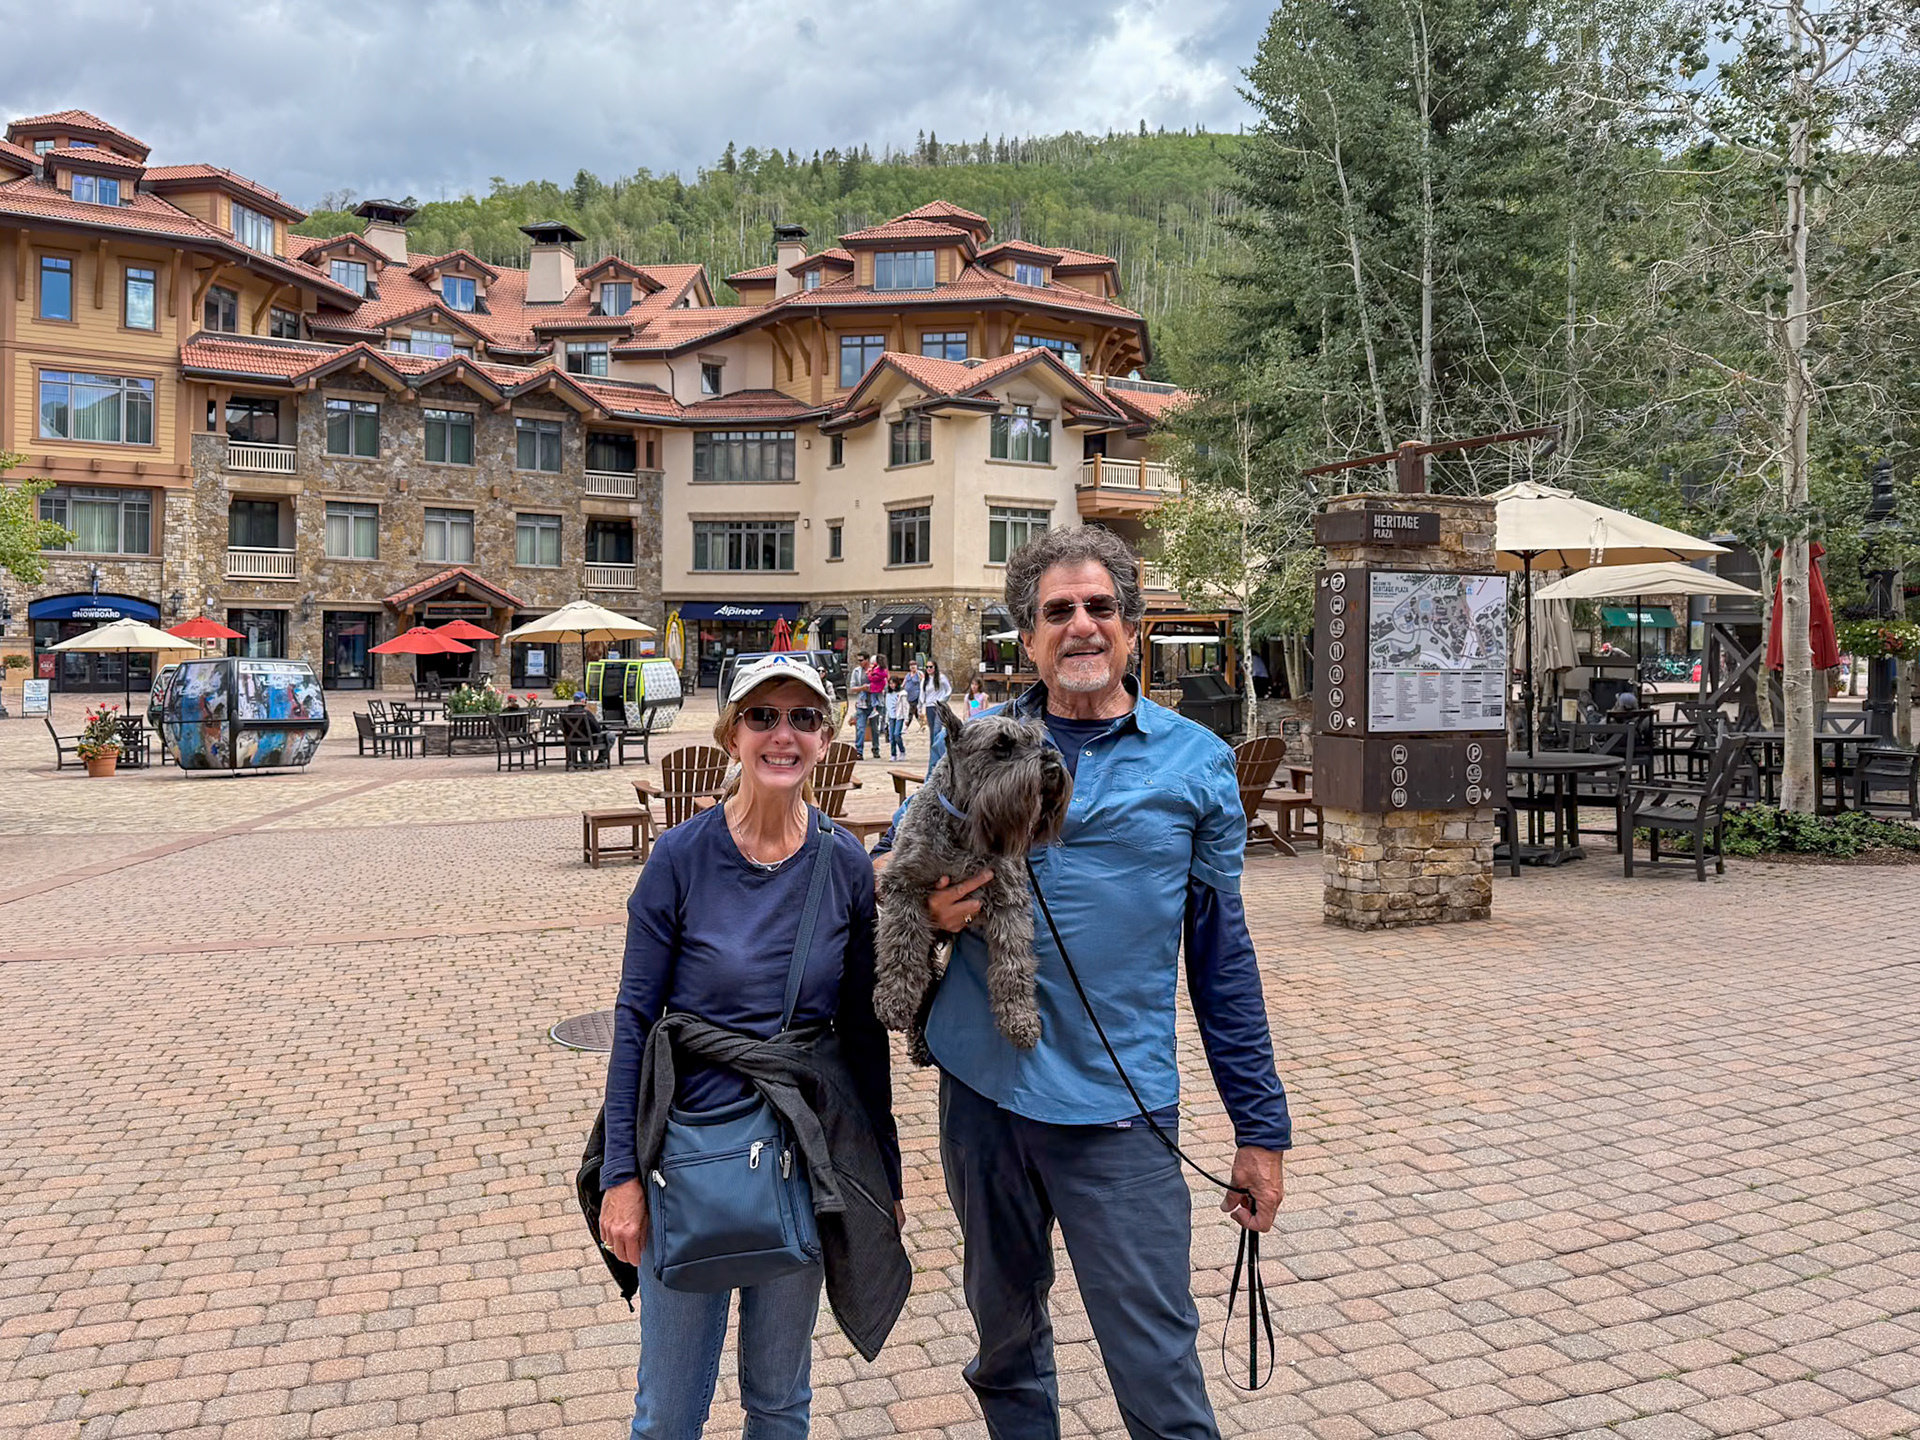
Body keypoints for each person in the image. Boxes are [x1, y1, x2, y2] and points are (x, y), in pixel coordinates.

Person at [883, 525, 1291, 1440]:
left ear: (1132, 628)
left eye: (1100, 608)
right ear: (1025, 637)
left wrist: (1260, 1131)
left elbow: (1223, 962)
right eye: (1056, 611)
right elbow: (899, 869)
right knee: (1005, 1345)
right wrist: (934, 909)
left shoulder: (1197, 764)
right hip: (985, 1095)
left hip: (1120, 1112)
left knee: (1155, 1360)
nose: (1081, 627)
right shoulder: (974, 749)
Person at [599, 654, 906, 1438]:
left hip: (800, 1152)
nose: (782, 734)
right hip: (687, 1154)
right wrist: (621, 1176)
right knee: (668, 1410)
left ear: (827, 737)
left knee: (779, 1401)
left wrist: (885, 1175)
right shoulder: (681, 858)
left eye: (803, 718)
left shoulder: (840, 861)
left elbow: (862, 1032)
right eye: (763, 716)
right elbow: (635, 1019)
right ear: (732, 732)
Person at [864, 654, 889, 756]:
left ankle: (876, 747)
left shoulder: (880, 671)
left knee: (876, 723)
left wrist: (870, 673)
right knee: (875, 723)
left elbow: (872, 678)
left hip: (876, 695)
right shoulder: (880, 670)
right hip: (874, 696)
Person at [849, 655, 873, 759]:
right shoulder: (856, 671)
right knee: (860, 728)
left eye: (861, 660)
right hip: (861, 703)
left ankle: (876, 749)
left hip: (874, 702)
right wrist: (862, 688)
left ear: (867, 660)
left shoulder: (874, 670)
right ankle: (859, 751)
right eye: (858, 660)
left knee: (875, 730)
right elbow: (852, 688)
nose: (859, 662)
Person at [885, 675, 908, 759]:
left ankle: (902, 750)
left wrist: (906, 718)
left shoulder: (902, 694)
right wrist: (886, 719)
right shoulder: (888, 694)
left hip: (899, 716)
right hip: (891, 716)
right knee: (891, 736)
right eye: (890, 683)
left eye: (893, 683)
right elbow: (887, 706)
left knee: (897, 734)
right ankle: (893, 754)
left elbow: (905, 706)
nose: (892, 685)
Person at [922, 659, 952, 726]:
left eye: (931, 667)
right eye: (927, 667)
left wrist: (943, 700)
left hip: (939, 705)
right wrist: (920, 707)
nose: (929, 669)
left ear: (935, 667)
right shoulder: (925, 680)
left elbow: (949, 689)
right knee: (932, 727)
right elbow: (922, 694)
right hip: (929, 706)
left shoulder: (941, 678)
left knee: (937, 727)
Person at [903, 662, 923, 730]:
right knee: (915, 711)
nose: (912, 667)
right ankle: (922, 724)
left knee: (910, 711)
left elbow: (923, 682)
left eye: (914, 665)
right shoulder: (908, 675)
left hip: (915, 695)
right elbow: (904, 683)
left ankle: (906, 726)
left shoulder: (919, 674)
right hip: (908, 695)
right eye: (911, 665)